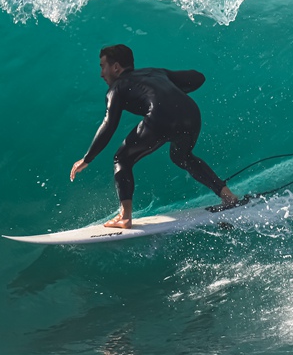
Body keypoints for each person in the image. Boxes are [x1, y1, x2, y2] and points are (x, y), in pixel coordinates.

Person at [70, 44, 242, 228]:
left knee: (122, 158)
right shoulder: (155, 72)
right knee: (181, 157)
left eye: (103, 66)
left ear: (116, 67)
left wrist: (87, 158)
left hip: (160, 117)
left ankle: (125, 217)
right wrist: (170, 91)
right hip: (191, 113)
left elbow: (109, 125)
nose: (101, 74)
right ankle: (228, 196)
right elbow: (198, 78)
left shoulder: (116, 89)